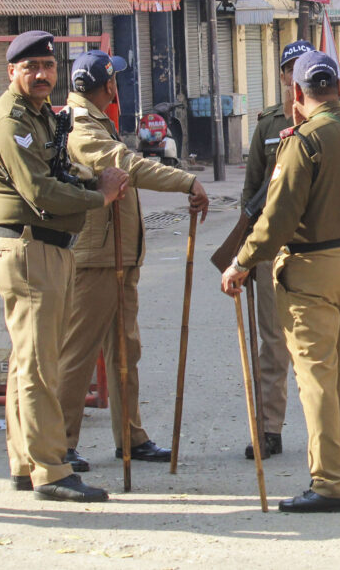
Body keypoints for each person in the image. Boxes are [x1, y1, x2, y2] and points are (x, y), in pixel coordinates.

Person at [221, 50, 340, 514]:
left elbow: (278, 217)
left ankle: (332, 481)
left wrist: (242, 261)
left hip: (310, 266)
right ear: (338, 86)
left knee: (316, 377)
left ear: (297, 92)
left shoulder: (304, 140)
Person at [0, 30, 128, 501]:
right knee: (41, 365)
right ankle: (51, 470)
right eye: (32, 68)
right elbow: (40, 191)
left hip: (49, 248)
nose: (42, 75)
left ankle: (27, 461)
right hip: (30, 249)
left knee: (28, 361)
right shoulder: (11, 122)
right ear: (11, 73)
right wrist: (99, 196)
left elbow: (57, 172)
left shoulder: (41, 116)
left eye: (48, 66)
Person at [56, 50, 209, 471]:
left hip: (119, 256)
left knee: (126, 351)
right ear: (108, 86)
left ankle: (131, 437)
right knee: (79, 354)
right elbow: (129, 166)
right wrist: (186, 180)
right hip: (96, 259)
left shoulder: (96, 122)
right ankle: (61, 443)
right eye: (115, 82)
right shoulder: (80, 128)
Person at [238, 39, 313, 460]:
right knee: (273, 341)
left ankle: (331, 432)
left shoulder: (328, 121)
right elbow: (251, 190)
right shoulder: (268, 124)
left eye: (302, 66)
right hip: (270, 246)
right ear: (283, 75)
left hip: (312, 246)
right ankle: (269, 429)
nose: (293, 74)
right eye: (288, 67)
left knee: (317, 341)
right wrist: (245, 252)